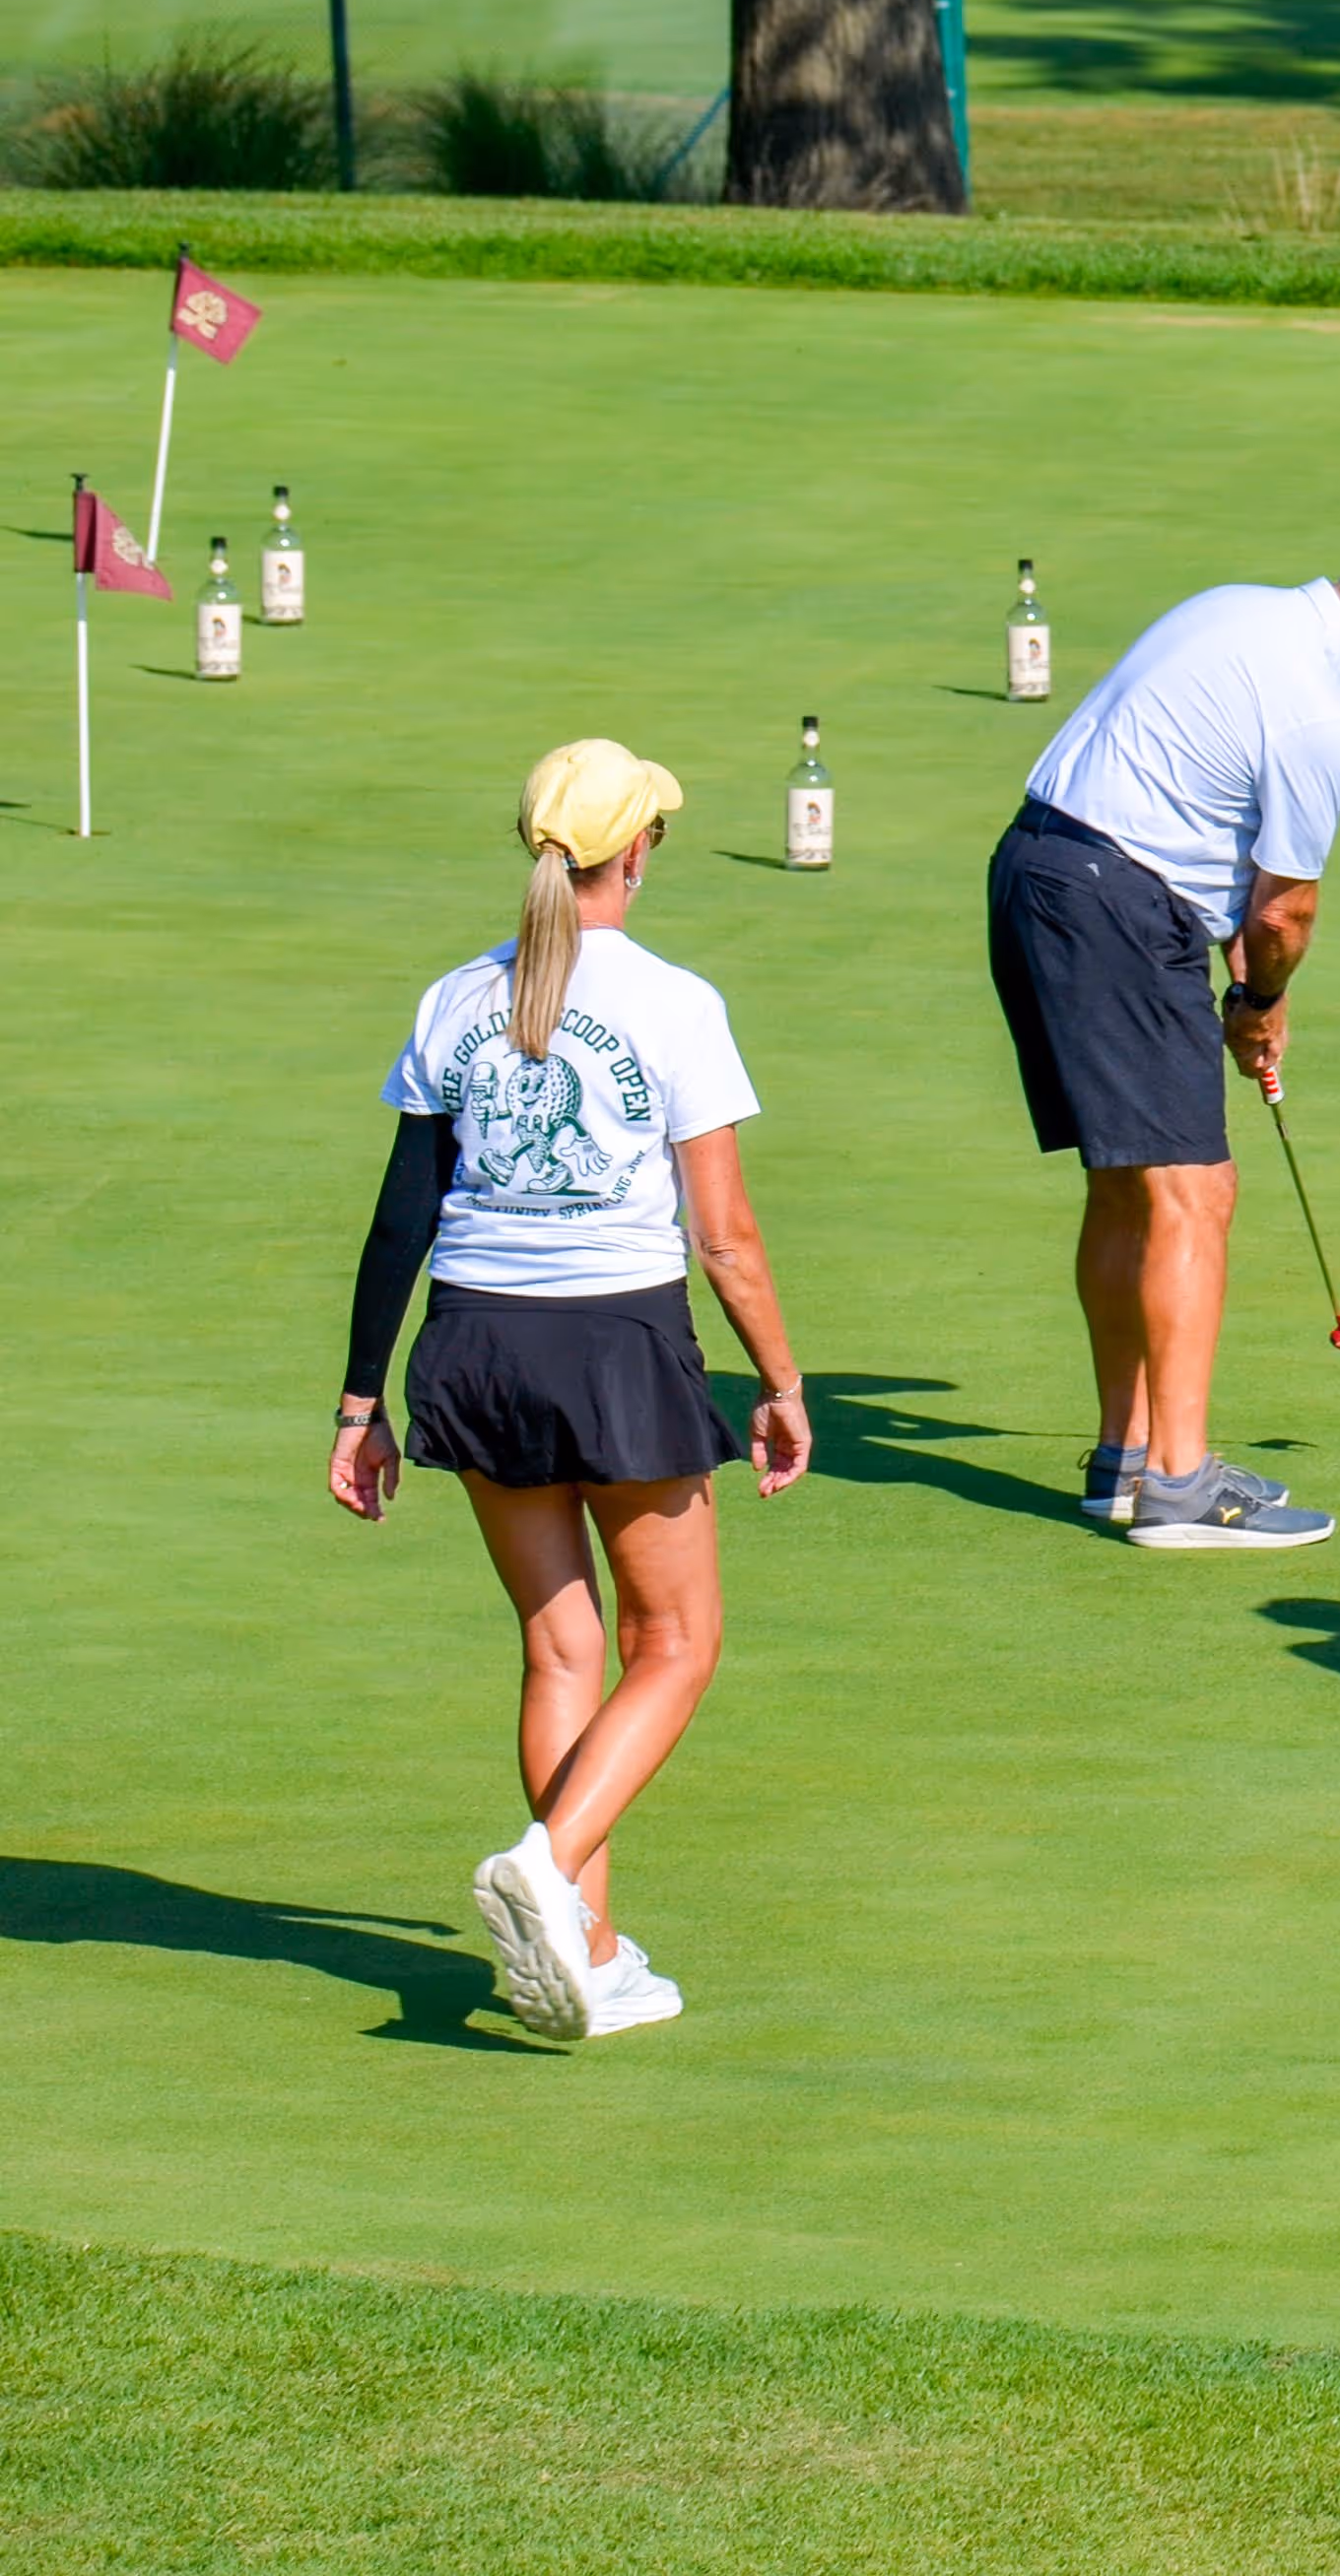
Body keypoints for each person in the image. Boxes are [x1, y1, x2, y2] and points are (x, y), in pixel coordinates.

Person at [333, 741, 810, 2044]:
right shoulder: (675, 1002)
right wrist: (779, 1383)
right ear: (638, 850)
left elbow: (398, 1223)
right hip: (618, 1347)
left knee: (562, 1646)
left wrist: (359, 1408)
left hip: (477, 1345)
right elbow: (727, 1241)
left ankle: (587, 1954)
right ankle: (551, 1871)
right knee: (677, 1645)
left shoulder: (453, 998)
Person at [988, 534, 1340, 1551]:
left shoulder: (1233, 605)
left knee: (1129, 1181)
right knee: (1194, 1190)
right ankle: (1178, 1484)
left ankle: (1126, 1456)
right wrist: (1259, 1001)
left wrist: (1241, 989)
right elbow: (1282, 913)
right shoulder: (1321, 719)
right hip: (1117, 904)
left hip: (1034, 868)